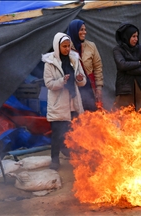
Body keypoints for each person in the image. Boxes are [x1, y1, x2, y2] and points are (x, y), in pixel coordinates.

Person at [41, 32, 86, 170]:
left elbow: (83, 81)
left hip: (73, 102)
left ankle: (74, 156)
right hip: (58, 105)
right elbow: (49, 84)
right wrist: (62, 81)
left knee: (74, 132)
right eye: (64, 46)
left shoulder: (74, 60)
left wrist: (79, 78)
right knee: (57, 134)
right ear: (57, 47)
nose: (67, 49)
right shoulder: (50, 63)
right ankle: (55, 160)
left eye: (68, 46)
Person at [112, 23, 141, 115]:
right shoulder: (118, 50)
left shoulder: (140, 49)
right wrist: (138, 63)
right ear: (126, 36)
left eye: (137, 36)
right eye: (133, 36)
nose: (136, 39)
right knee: (125, 117)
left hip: (139, 86)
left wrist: (128, 70)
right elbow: (122, 65)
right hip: (124, 88)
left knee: (139, 116)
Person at [66, 19, 103, 111]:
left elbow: (97, 67)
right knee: (77, 116)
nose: (84, 32)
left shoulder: (91, 46)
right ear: (74, 30)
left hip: (90, 86)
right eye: (81, 30)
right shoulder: (66, 47)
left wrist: (99, 87)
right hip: (73, 87)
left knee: (92, 113)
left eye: (85, 30)